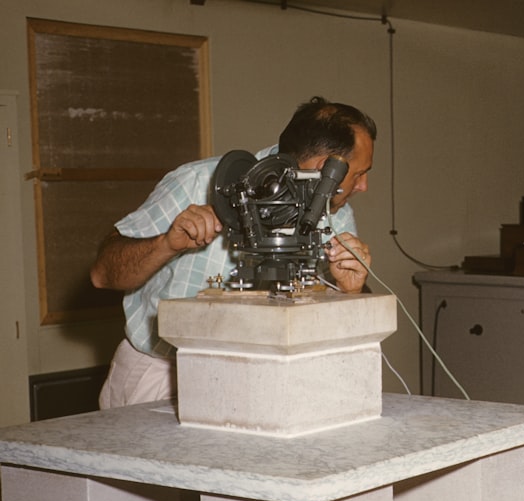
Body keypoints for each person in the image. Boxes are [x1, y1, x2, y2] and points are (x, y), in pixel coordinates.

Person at [91, 97, 376, 409]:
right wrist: (166, 244)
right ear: (328, 169)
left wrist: (353, 290)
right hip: (162, 374)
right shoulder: (198, 182)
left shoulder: (336, 211)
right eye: (359, 173)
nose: (363, 186)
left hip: (261, 376)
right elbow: (103, 274)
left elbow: (337, 318)